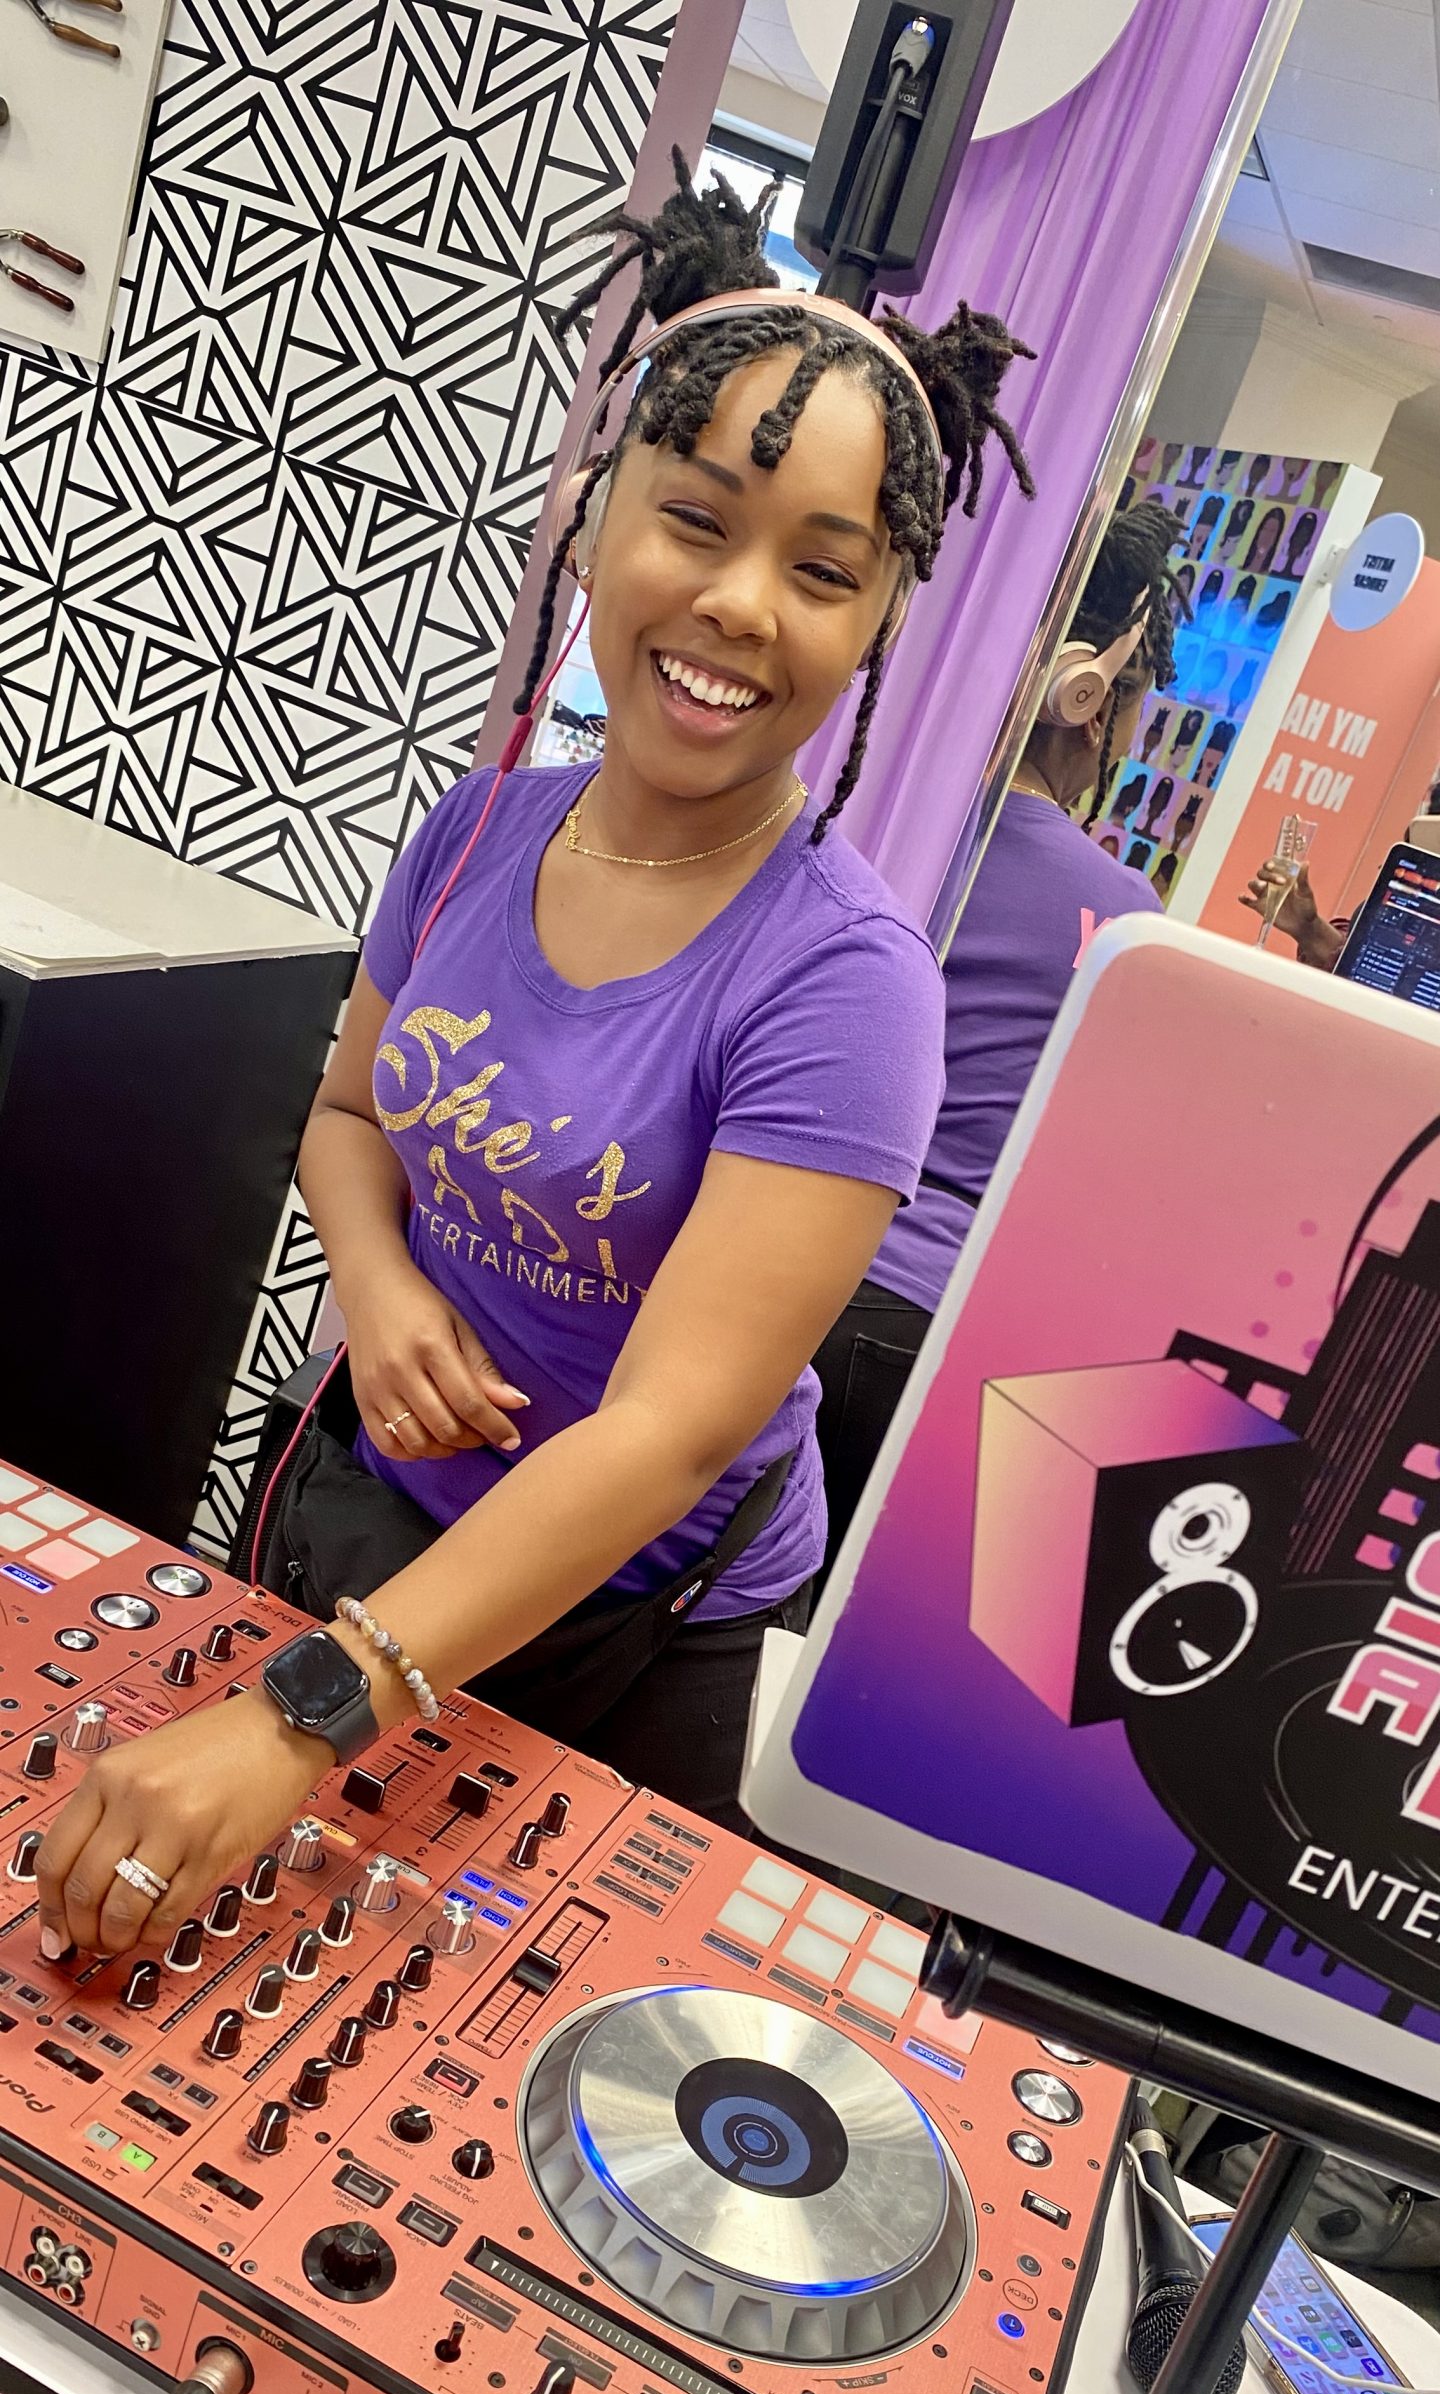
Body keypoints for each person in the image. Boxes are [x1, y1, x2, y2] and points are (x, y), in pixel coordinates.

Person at [34, 155, 1034, 1958]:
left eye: (822, 569)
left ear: (880, 621)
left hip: (633, 1639)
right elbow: (351, 1114)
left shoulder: (848, 986)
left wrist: (295, 1722)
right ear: (596, 517)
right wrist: (379, 1287)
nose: (742, 604)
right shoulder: (475, 830)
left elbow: (664, 1435)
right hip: (374, 1529)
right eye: (696, 520)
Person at [812, 499, 1184, 1575]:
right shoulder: (1123, 914)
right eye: (1139, 702)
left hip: (777, 1268)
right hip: (925, 1329)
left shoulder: (871, 823)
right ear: (1089, 697)